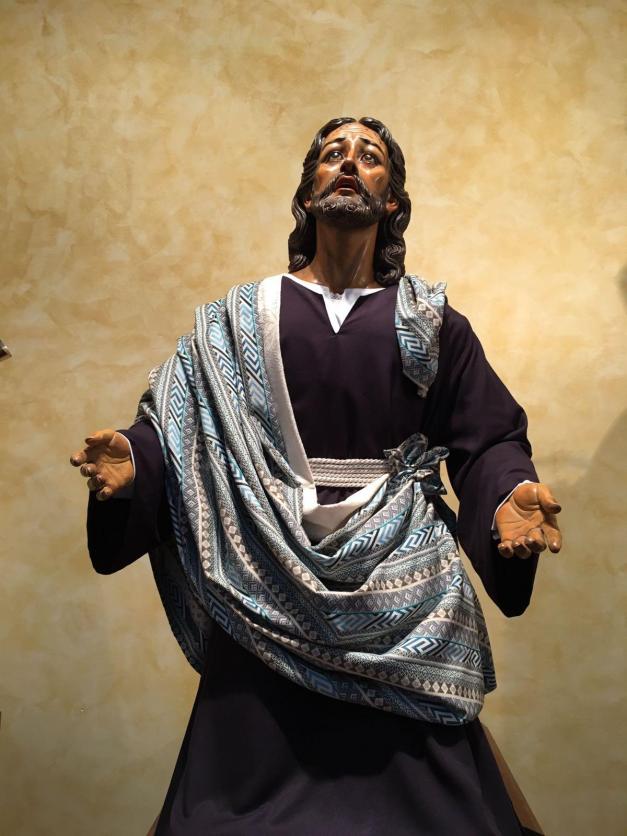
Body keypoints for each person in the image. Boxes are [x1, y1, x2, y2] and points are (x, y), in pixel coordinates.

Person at [71, 116, 562, 835]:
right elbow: (177, 426)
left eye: (369, 157)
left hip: (403, 584)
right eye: (333, 154)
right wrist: (136, 462)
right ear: (307, 194)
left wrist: (508, 496)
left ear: (391, 200)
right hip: (263, 571)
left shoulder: (430, 320)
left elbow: (485, 439)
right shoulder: (235, 321)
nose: (349, 164)